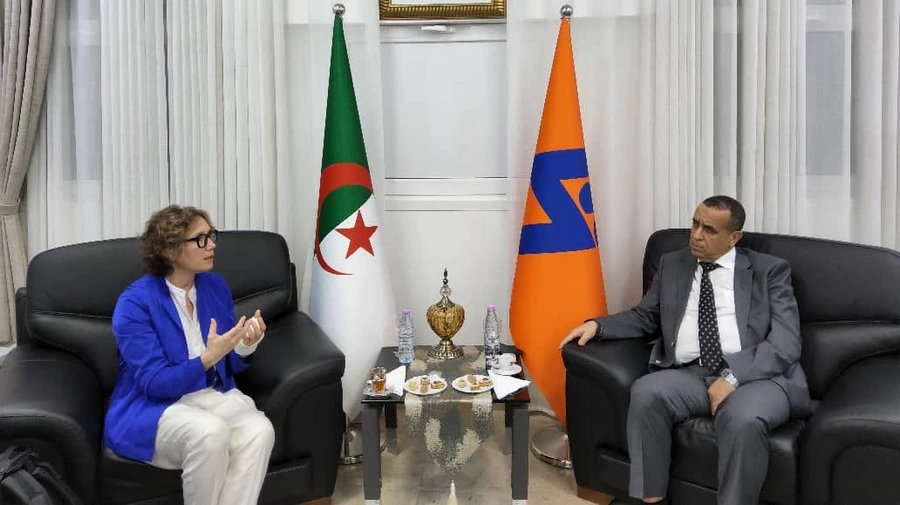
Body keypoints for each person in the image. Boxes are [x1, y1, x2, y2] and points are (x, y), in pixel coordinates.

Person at [560, 196, 810, 505]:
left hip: (757, 376)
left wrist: (732, 377)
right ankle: (651, 500)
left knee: (742, 419)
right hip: (693, 373)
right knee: (647, 392)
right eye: (695, 224)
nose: (696, 235)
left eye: (709, 230)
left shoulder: (769, 271)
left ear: (734, 237)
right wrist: (598, 326)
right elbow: (646, 316)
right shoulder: (673, 264)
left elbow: (786, 343)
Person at [104, 205, 275, 505]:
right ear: (169, 250)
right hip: (154, 407)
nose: (211, 245)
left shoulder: (214, 286)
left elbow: (227, 363)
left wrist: (246, 343)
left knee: (259, 430)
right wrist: (208, 358)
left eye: (211, 235)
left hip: (210, 396)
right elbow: (155, 383)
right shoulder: (134, 304)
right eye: (200, 239)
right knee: (210, 433)